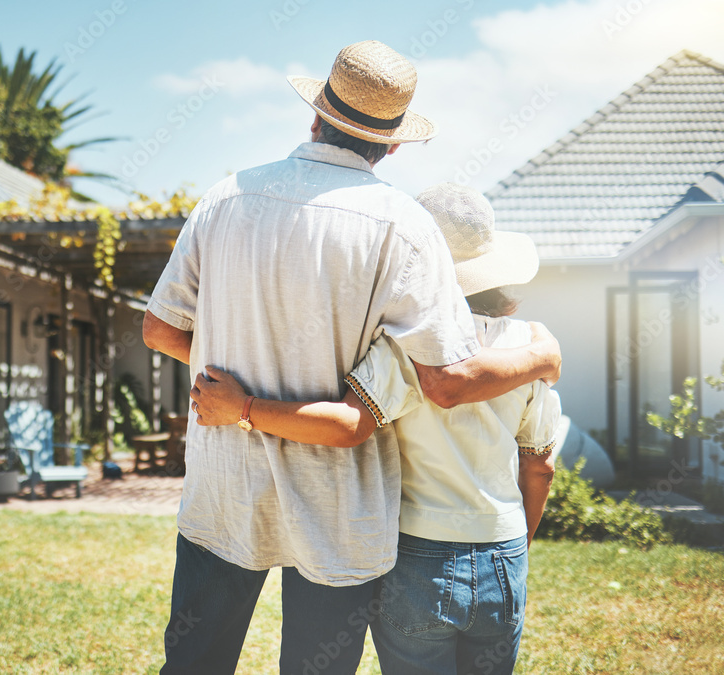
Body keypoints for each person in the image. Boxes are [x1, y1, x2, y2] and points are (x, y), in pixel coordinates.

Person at [143, 41, 561, 675]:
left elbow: (159, 329)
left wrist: (231, 392)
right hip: (337, 505)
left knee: (195, 663)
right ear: (393, 144)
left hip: (224, 486)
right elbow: (445, 383)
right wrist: (541, 356)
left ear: (315, 114)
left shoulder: (225, 197)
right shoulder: (402, 225)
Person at [190, 182, 561, 675]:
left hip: (421, 554)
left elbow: (348, 424)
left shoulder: (406, 349)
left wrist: (244, 407)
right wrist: (517, 541)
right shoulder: (529, 348)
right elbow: (540, 466)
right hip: (505, 554)